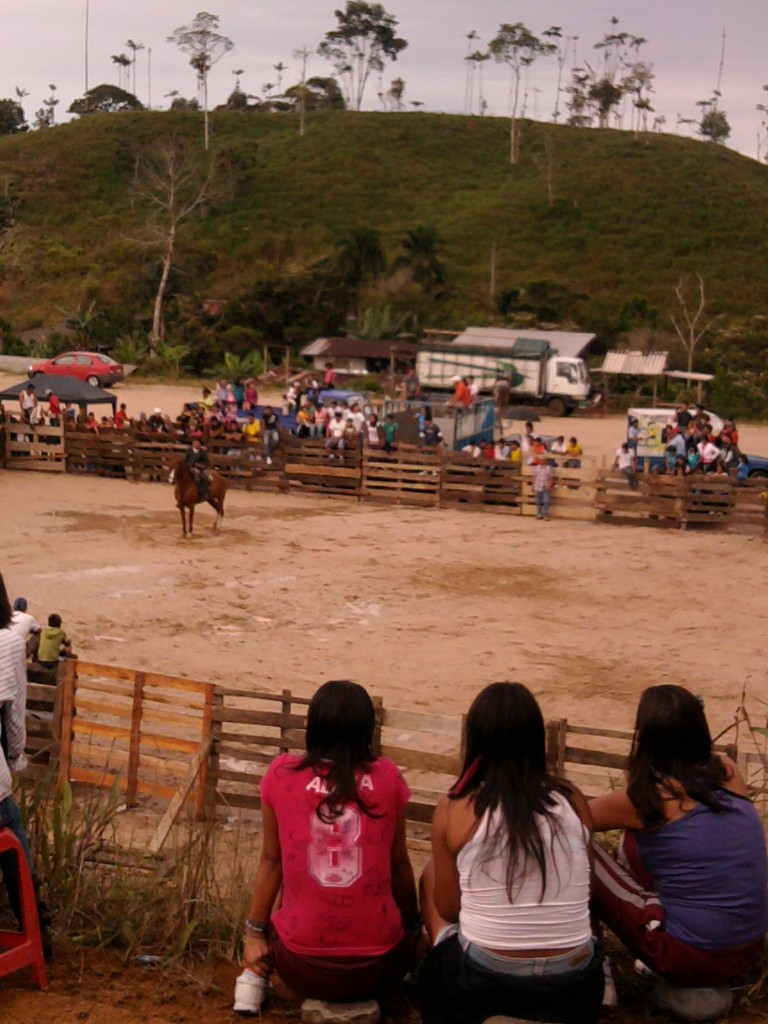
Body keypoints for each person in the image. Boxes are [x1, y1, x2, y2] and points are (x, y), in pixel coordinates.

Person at [418, 683, 604, 1024]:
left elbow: (448, 907)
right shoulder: (572, 799)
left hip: (487, 979)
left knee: (431, 874)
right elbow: (587, 887)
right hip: (576, 979)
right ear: (537, 742)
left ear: (474, 742)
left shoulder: (455, 808)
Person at [241, 680, 419, 1005]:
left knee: (292, 882)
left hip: (300, 967)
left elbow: (272, 861)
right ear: (368, 730)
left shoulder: (281, 775)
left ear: (311, 726)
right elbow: (399, 865)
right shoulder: (387, 778)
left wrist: (253, 933)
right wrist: (413, 930)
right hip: (380, 968)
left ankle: (252, 977)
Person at [590, 685, 767, 989]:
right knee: (660, 846)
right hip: (748, 950)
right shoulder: (727, 772)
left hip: (690, 959)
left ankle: (591, 963)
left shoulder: (650, 799)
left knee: (578, 846)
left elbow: (567, 818)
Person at [0, 573, 49, 955]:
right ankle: (36, 930)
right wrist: (14, 761)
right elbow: (14, 722)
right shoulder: (9, 643)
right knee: (13, 833)